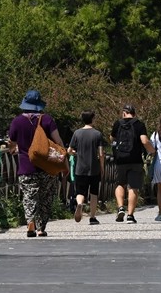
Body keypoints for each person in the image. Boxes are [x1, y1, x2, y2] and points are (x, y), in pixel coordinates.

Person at [7, 89, 66, 238]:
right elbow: (58, 141)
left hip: (26, 166)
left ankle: (30, 222)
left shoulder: (17, 121)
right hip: (47, 166)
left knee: (29, 196)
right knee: (45, 197)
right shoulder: (47, 120)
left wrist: (14, 150)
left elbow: (12, 143)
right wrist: (63, 158)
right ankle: (41, 228)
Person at [110, 104, 155, 223]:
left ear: (124, 113)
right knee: (133, 187)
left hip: (120, 159)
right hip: (135, 160)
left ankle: (120, 207)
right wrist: (152, 151)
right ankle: (130, 215)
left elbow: (112, 138)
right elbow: (144, 140)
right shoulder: (139, 124)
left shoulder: (117, 123)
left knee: (120, 184)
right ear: (134, 114)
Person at [68, 109, 104, 225]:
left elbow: (69, 150)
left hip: (80, 168)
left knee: (80, 191)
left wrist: (75, 153)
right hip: (94, 169)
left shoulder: (77, 133)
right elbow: (101, 154)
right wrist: (102, 167)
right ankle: (92, 217)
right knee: (94, 193)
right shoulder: (97, 134)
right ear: (93, 119)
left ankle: (79, 204)